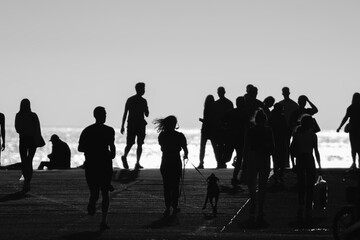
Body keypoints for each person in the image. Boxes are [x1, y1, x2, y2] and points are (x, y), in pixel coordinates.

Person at [78, 106, 116, 230]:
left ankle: (102, 219)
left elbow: (80, 148)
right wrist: (110, 154)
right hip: (103, 163)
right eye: (103, 114)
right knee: (101, 193)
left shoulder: (87, 130)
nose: (105, 116)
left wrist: (91, 150)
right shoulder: (108, 130)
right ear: (98, 116)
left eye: (105, 114)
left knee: (98, 192)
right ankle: (102, 218)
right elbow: (112, 147)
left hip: (93, 164)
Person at [153, 115, 188, 217]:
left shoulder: (162, 135)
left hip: (166, 161)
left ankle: (168, 207)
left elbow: (162, 146)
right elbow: (185, 148)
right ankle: (174, 206)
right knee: (175, 185)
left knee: (167, 185)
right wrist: (186, 155)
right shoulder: (180, 135)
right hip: (176, 160)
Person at [244, 110, 274, 223]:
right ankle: (260, 208)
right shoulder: (268, 130)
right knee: (263, 185)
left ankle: (253, 202)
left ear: (255, 120)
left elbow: (246, 147)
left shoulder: (250, 131)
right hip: (264, 158)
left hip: (252, 157)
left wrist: (243, 163)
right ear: (265, 120)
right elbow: (272, 147)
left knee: (251, 183)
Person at [290, 115, 322, 220]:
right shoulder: (313, 135)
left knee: (301, 184)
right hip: (309, 158)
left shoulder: (297, 134)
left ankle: (301, 205)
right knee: (310, 185)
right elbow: (316, 151)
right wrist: (320, 165)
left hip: (300, 159)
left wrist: (293, 164)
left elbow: (292, 150)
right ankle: (308, 207)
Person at [15, 99, 44, 192]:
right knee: (25, 161)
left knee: (28, 160)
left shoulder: (32, 115)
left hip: (30, 140)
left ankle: (27, 181)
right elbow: (17, 128)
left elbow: (37, 128)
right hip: (25, 139)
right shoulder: (20, 115)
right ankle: (26, 181)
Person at [121, 82, 149, 170]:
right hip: (137, 124)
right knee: (136, 144)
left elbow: (125, 113)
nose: (144, 91)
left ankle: (132, 160)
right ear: (139, 90)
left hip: (134, 124)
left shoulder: (131, 100)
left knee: (134, 143)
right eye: (143, 89)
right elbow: (147, 114)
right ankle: (132, 160)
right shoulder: (142, 101)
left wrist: (122, 125)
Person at [222, 96, 249, 186]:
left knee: (228, 158)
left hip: (231, 138)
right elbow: (247, 127)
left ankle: (234, 176)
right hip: (239, 139)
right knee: (238, 157)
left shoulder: (230, 112)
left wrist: (226, 129)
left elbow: (222, 122)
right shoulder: (244, 114)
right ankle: (234, 173)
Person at [337, 92, 360, 169]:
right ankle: (354, 163)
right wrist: (340, 126)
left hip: (353, 130)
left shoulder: (351, 107)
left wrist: (340, 127)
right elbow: (346, 118)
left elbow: (346, 118)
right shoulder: (350, 108)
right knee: (355, 147)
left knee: (354, 147)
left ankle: (354, 163)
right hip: (354, 130)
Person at [213, 87, 234, 168]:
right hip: (224, 127)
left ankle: (221, 162)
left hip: (221, 128)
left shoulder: (216, 104)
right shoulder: (229, 103)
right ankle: (222, 161)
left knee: (220, 146)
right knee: (223, 146)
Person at [278, 87, 298, 168]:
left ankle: (289, 163)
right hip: (285, 128)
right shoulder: (292, 104)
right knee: (286, 145)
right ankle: (287, 162)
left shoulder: (292, 104)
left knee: (289, 146)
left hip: (290, 128)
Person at [268, 103, 288, 184]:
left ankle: (277, 175)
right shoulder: (282, 117)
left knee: (275, 159)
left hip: (275, 140)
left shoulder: (271, 117)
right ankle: (280, 175)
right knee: (281, 159)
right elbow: (285, 129)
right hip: (281, 140)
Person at [198, 95, 218, 169]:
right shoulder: (214, 109)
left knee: (202, 148)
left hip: (205, 130)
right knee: (215, 147)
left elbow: (207, 120)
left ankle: (201, 163)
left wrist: (202, 120)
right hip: (212, 130)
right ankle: (218, 162)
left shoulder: (206, 109)